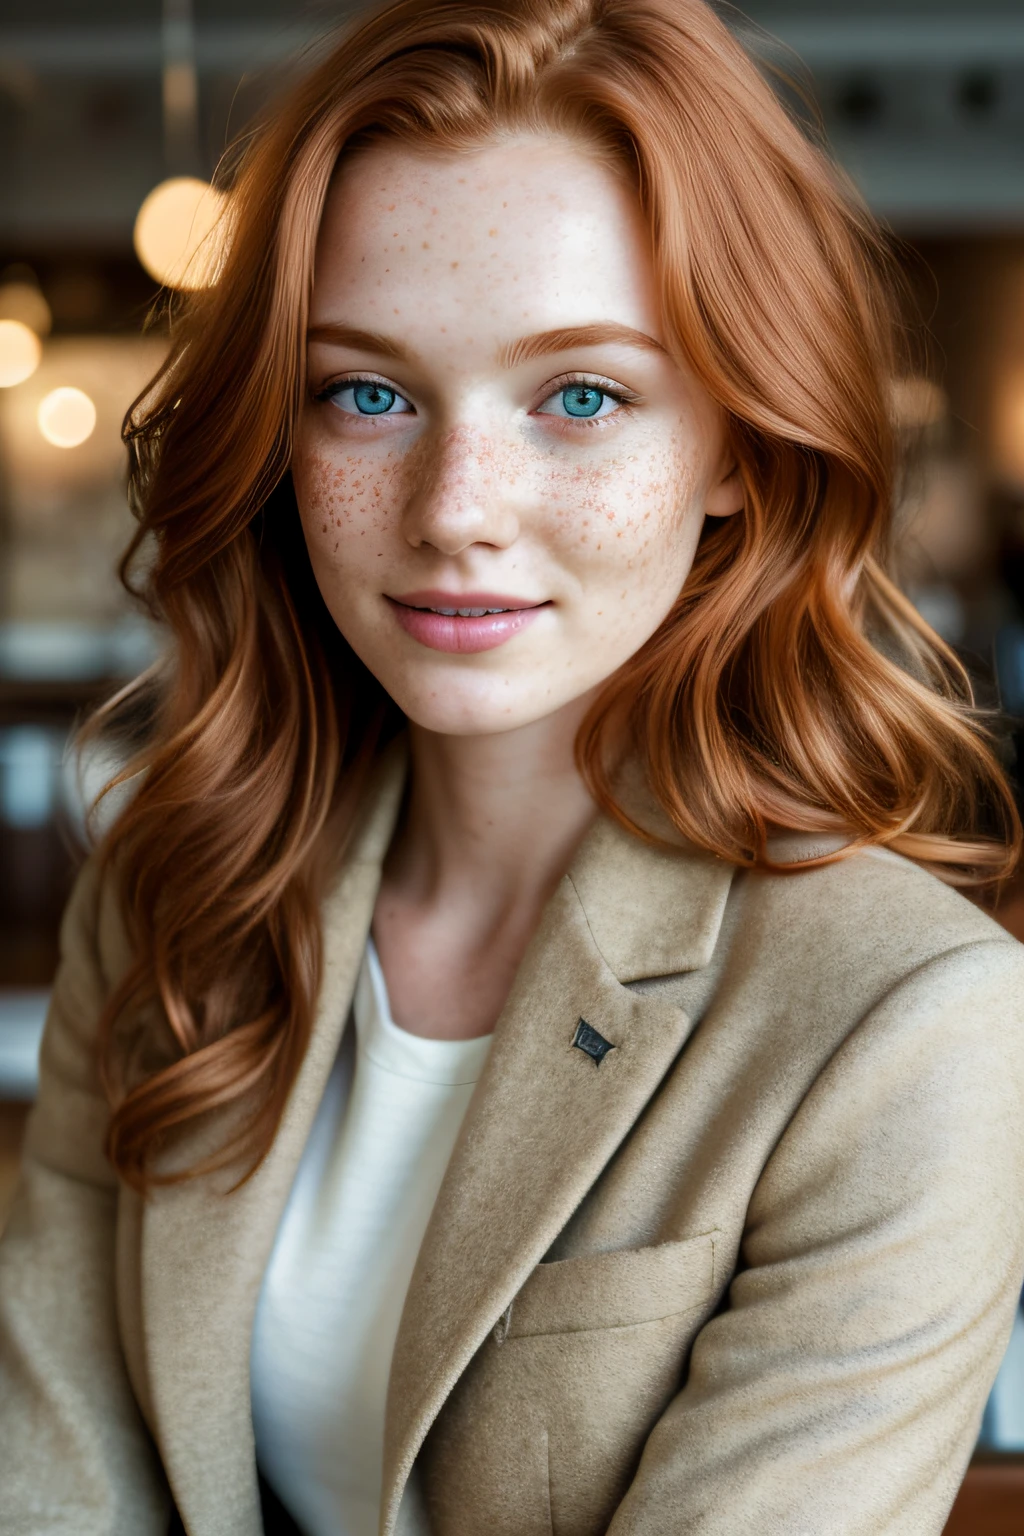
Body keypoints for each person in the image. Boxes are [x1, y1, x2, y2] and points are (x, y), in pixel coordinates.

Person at [3, 0, 1024, 1532]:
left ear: (739, 442)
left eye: (583, 397)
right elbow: (53, 1468)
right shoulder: (175, 889)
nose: (453, 509)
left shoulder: (910, 1024)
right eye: (368, 392)